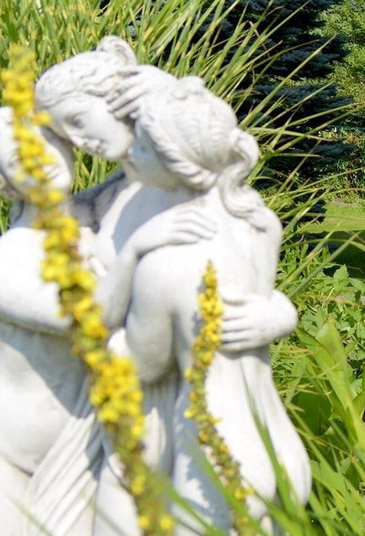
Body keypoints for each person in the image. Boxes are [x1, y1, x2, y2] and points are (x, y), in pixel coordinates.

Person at [0, 109, 211, 535]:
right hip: (14, 459)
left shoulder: (95, 216)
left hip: (91, 438)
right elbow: (88, 318)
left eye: (46, 146)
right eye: (17, 159)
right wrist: (135, 251)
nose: (38, 161)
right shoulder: (11, 256)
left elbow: (149, 163)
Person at [121, 80, 310, 531]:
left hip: (214, 456)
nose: (129, 154)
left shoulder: (164, 262)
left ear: (176, 163)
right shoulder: (259, 223)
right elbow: (262, 298)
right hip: (278, 443)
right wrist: (282, 310)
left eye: (142, 147)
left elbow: (142, 368)